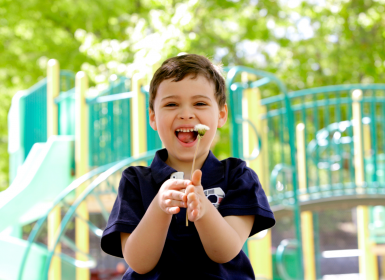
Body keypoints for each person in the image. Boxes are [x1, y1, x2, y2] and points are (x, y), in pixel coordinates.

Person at [101, 54, 275, 279]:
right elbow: (138, 262)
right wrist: (159, 208)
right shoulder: (136, 181)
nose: (186, 114)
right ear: (153, 118)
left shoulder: (238, 177)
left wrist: (204, 210)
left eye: (200, 103)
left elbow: (225, 251)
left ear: (221, 115)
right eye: (171, 104)